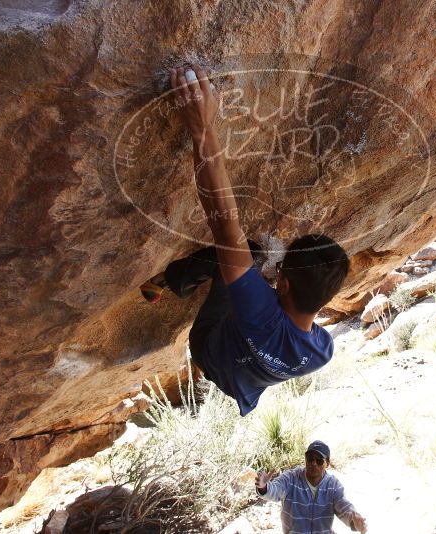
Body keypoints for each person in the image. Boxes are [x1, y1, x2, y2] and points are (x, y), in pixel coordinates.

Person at [140, 65, 350, 416]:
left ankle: (167, 280)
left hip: (208, 346)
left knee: (246, 252)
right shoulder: (322, 352)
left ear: (281, 283)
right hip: (239, 381)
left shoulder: (263, 312)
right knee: (246, 270)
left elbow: (225, 227)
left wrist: (202, 127)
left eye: (280, 270)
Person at [255, 440, 367, 534]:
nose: (313, 463)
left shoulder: (333, 485)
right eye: (310, 458)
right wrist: (264, 487)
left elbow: (344, 507)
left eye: (319, 460)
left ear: (327, 463)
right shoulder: (291, 478)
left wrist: (354, 521)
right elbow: (275, 489)